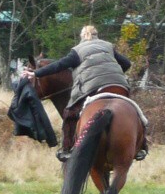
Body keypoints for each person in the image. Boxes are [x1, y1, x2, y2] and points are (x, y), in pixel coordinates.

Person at [22, 25, 147, 162]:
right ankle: (141, 147)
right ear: (97, 35)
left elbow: (58, 65)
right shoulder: (108, 46)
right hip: (117, 85)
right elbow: (127, 64)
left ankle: (67, 149)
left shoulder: (77, 51)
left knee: (69, 114)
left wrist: (36, 73)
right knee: (134, 112)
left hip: (92, 87)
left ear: (82, 37)